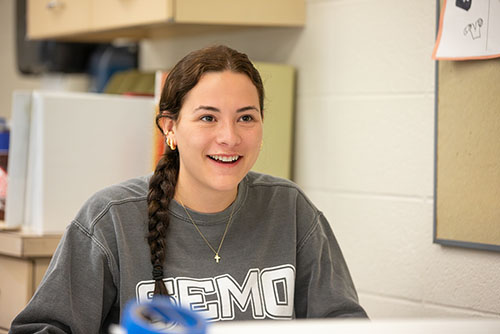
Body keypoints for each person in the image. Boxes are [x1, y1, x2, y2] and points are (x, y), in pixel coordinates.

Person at [10, 45, 367, 334]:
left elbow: (345, 324)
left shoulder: (290, 208)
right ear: (171, 129)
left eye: (246, 117)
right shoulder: (110, 218)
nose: (229, 137)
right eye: (208, 117)